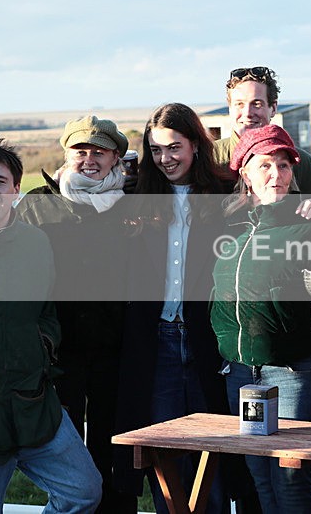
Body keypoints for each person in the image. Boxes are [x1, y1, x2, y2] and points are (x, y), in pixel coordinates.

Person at [112, 103, 254, 513]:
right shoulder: (136, 199)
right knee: (164, 452)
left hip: (208, 341)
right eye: (156, 150)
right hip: (155, 343)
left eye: (174, 147)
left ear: (195, 144)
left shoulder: (226, 195)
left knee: (212, 449)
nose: (165, 158)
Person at [0, 140, 102, 513]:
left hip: (30, 404)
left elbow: (45, 311)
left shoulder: (36, 244)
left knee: (83, 491)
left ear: (16, 189)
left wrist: (41, 351)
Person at [16, 115, 135, 513]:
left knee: (114, 444)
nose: (89, 159)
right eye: (80, 150)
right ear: (66, 155)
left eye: (99, 151)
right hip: (59, 351)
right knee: (65, 452)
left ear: (116, 156)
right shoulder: (37, 204)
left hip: (117, 349)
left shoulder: (134, 203)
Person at [211, 124, 311, 514]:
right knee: (260, 476)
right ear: (245, 172)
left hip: (291, 372)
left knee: (291, 480)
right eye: (265, 165)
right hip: (242, 372)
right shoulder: (229, 226)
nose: (275, 175)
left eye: (283, 165)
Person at [213, 66, 311, 194]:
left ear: (273, 108)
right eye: (239, 104)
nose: (247, 113)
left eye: (257, 104)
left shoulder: (302, 164)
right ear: (230, 108)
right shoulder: (209, 158)